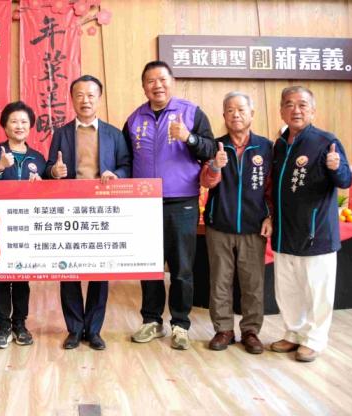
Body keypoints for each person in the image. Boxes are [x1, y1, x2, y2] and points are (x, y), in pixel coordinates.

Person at [123, 61, 216, 350]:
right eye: (151, 81)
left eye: (162, 79)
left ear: (172, 82)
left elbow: (211, 149)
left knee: (182, 268)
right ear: (143, 87)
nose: (157, 85)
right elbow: (126, 160)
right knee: (148, 266)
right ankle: (152, 321)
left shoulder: (191, 112)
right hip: (144, 202)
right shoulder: (134, 119)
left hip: (182, 202)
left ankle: (180, 324)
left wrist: (189, 137)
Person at [44, 75, 131, 351]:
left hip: (101, 210)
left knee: (99, 271)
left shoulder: (113, 134)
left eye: (91, 95)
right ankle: (74, 329)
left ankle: (94, 330)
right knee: (67, 269)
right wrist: (53, 171)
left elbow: (126, 166)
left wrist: (116, 175)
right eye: (79, 95)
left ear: (99, 99)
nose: (85, 100)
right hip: (69, 210)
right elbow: (48, 167)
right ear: (72, 99)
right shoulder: (61, 133)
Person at [270, 86, 352, 362]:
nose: (296, 110)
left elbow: (345, 180)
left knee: (318, 291)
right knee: (288, 290)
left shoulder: (326, 141)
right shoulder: (279, 145)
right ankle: (293, 333)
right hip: (284, 233)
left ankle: (315, 340)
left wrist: (336, 167)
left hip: (316, 233)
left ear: (313, 111)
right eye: (289, 104)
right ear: (281, 111)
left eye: (302, 104)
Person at [200, 91, 273, 354]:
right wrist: (215, 166)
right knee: (220, 280)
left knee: (253, 282)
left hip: (254, 226)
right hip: (219, 224)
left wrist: (271, 216)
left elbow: (272, 188)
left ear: (251, 114)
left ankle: (251, 331)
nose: (236, 115)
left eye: (241, 110)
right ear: (224, 116)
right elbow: (205, 182)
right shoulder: (214, 146)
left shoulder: (266, 147)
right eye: (230, 110)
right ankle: (223, 330)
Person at [0, 101, 45, 349]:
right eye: (14, 121)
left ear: (30, 126)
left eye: (24, 122)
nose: (19, 126)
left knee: (23, 277)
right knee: (2, 278)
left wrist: (42, 182)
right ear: (5, 126)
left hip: (27, 226)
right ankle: (3, 326)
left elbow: (48, 193)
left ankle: (20, 324)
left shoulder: (38, 158)